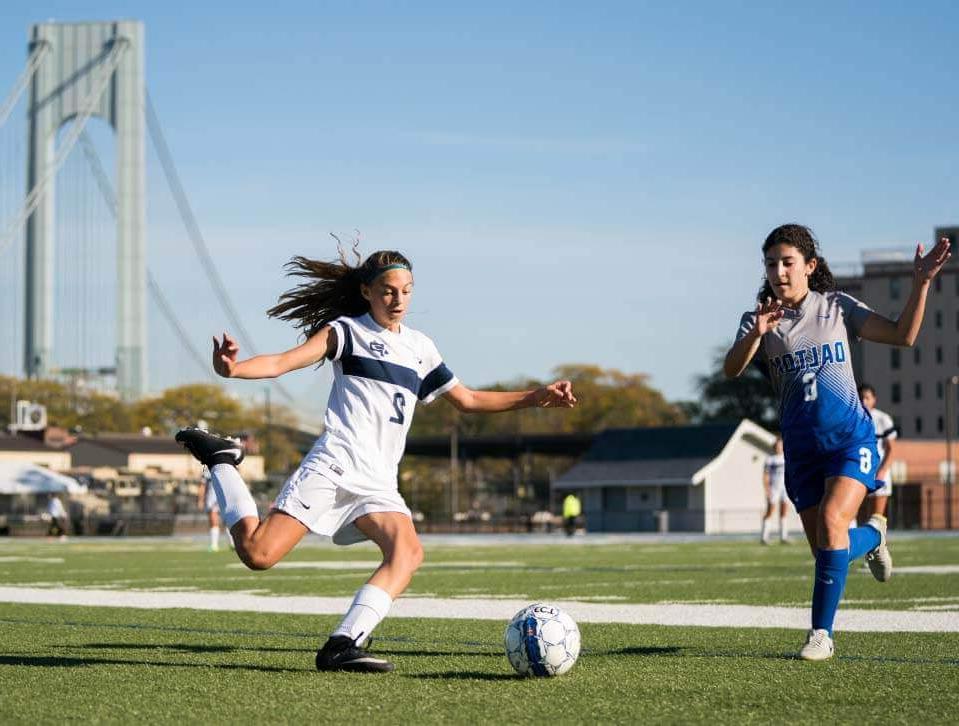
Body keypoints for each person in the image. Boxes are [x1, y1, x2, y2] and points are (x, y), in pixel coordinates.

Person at [175, 248, 577, 673]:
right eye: (388, 291)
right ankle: (222, 462)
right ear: (367, 291)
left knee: (408, 553)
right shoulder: (344, 332)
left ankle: (343, 643)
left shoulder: (420, 348)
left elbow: (469, 399)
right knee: (258, 554)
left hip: (379, 482)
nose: (398, 299)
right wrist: (232, 370)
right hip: (333, 466)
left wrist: (535, 397)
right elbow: (280, 362)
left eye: (406, 291)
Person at [724, 224, 949, 661]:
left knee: (831, 523)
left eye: (788, 262)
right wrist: (757, 332)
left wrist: (921, 284)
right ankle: (875, 537)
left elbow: (904, 336)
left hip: (850, 439)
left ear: (810, 266)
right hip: (802, 451)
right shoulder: (758, 320)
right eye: (771, 264)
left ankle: (820, 635)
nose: (779, 271)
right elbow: (732, 369)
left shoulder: (837, 307)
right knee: (832, 549)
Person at [858, 384, 898, 521]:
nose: (864, 401)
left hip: (879, 472)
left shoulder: (882, 418)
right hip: (859, 472)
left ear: (874, 399)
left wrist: (882, 472)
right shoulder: (853, 419)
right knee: (856, 518)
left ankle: (879, 542)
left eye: (867, 398)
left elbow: (891, 449)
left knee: (876, 519)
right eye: (861, 398)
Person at [761, 435, 789, 545]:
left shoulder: (786, 458)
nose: (779, 447)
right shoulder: (770, 459)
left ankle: (783, 537)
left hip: (785, 488)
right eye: (777, 445)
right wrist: (767, 489)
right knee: (770, 511)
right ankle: (764, 536)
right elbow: (765, 476)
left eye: (781, 445)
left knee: (784, 511)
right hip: (774, 488)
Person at [197, 466, 229, 551]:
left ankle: (232, 543)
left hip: (225, 497)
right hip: (213, 498)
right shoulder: (208, 469)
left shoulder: (227, 466)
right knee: (214, 519)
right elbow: (202, 486)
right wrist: (200, 500)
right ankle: (214, 545)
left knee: (228, 521)